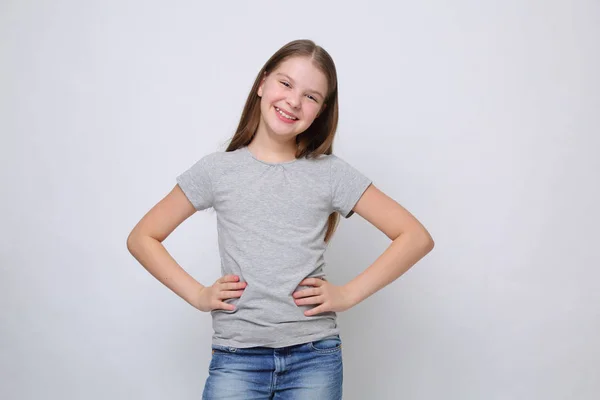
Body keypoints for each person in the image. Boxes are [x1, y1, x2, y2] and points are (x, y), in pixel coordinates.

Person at [127, 39, 434, 399]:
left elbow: (415, 236)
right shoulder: (217, 171)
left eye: (311, 96)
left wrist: (348, 294)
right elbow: (143, 237)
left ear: (320, 111)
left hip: (313, 358)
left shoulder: (330, 174)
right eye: (286, 84)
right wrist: (197, 294)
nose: (293, 101)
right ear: (262, 83)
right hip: (236, 357)